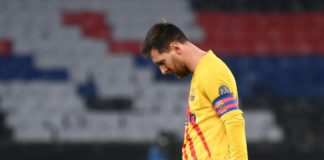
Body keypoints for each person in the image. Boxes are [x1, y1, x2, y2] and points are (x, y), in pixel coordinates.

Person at [141, 22, 248, 160]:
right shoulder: (201, 73)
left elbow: (234, 120)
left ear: (176, 48)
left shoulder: (211, 71)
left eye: (162, 62)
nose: (163, 70)